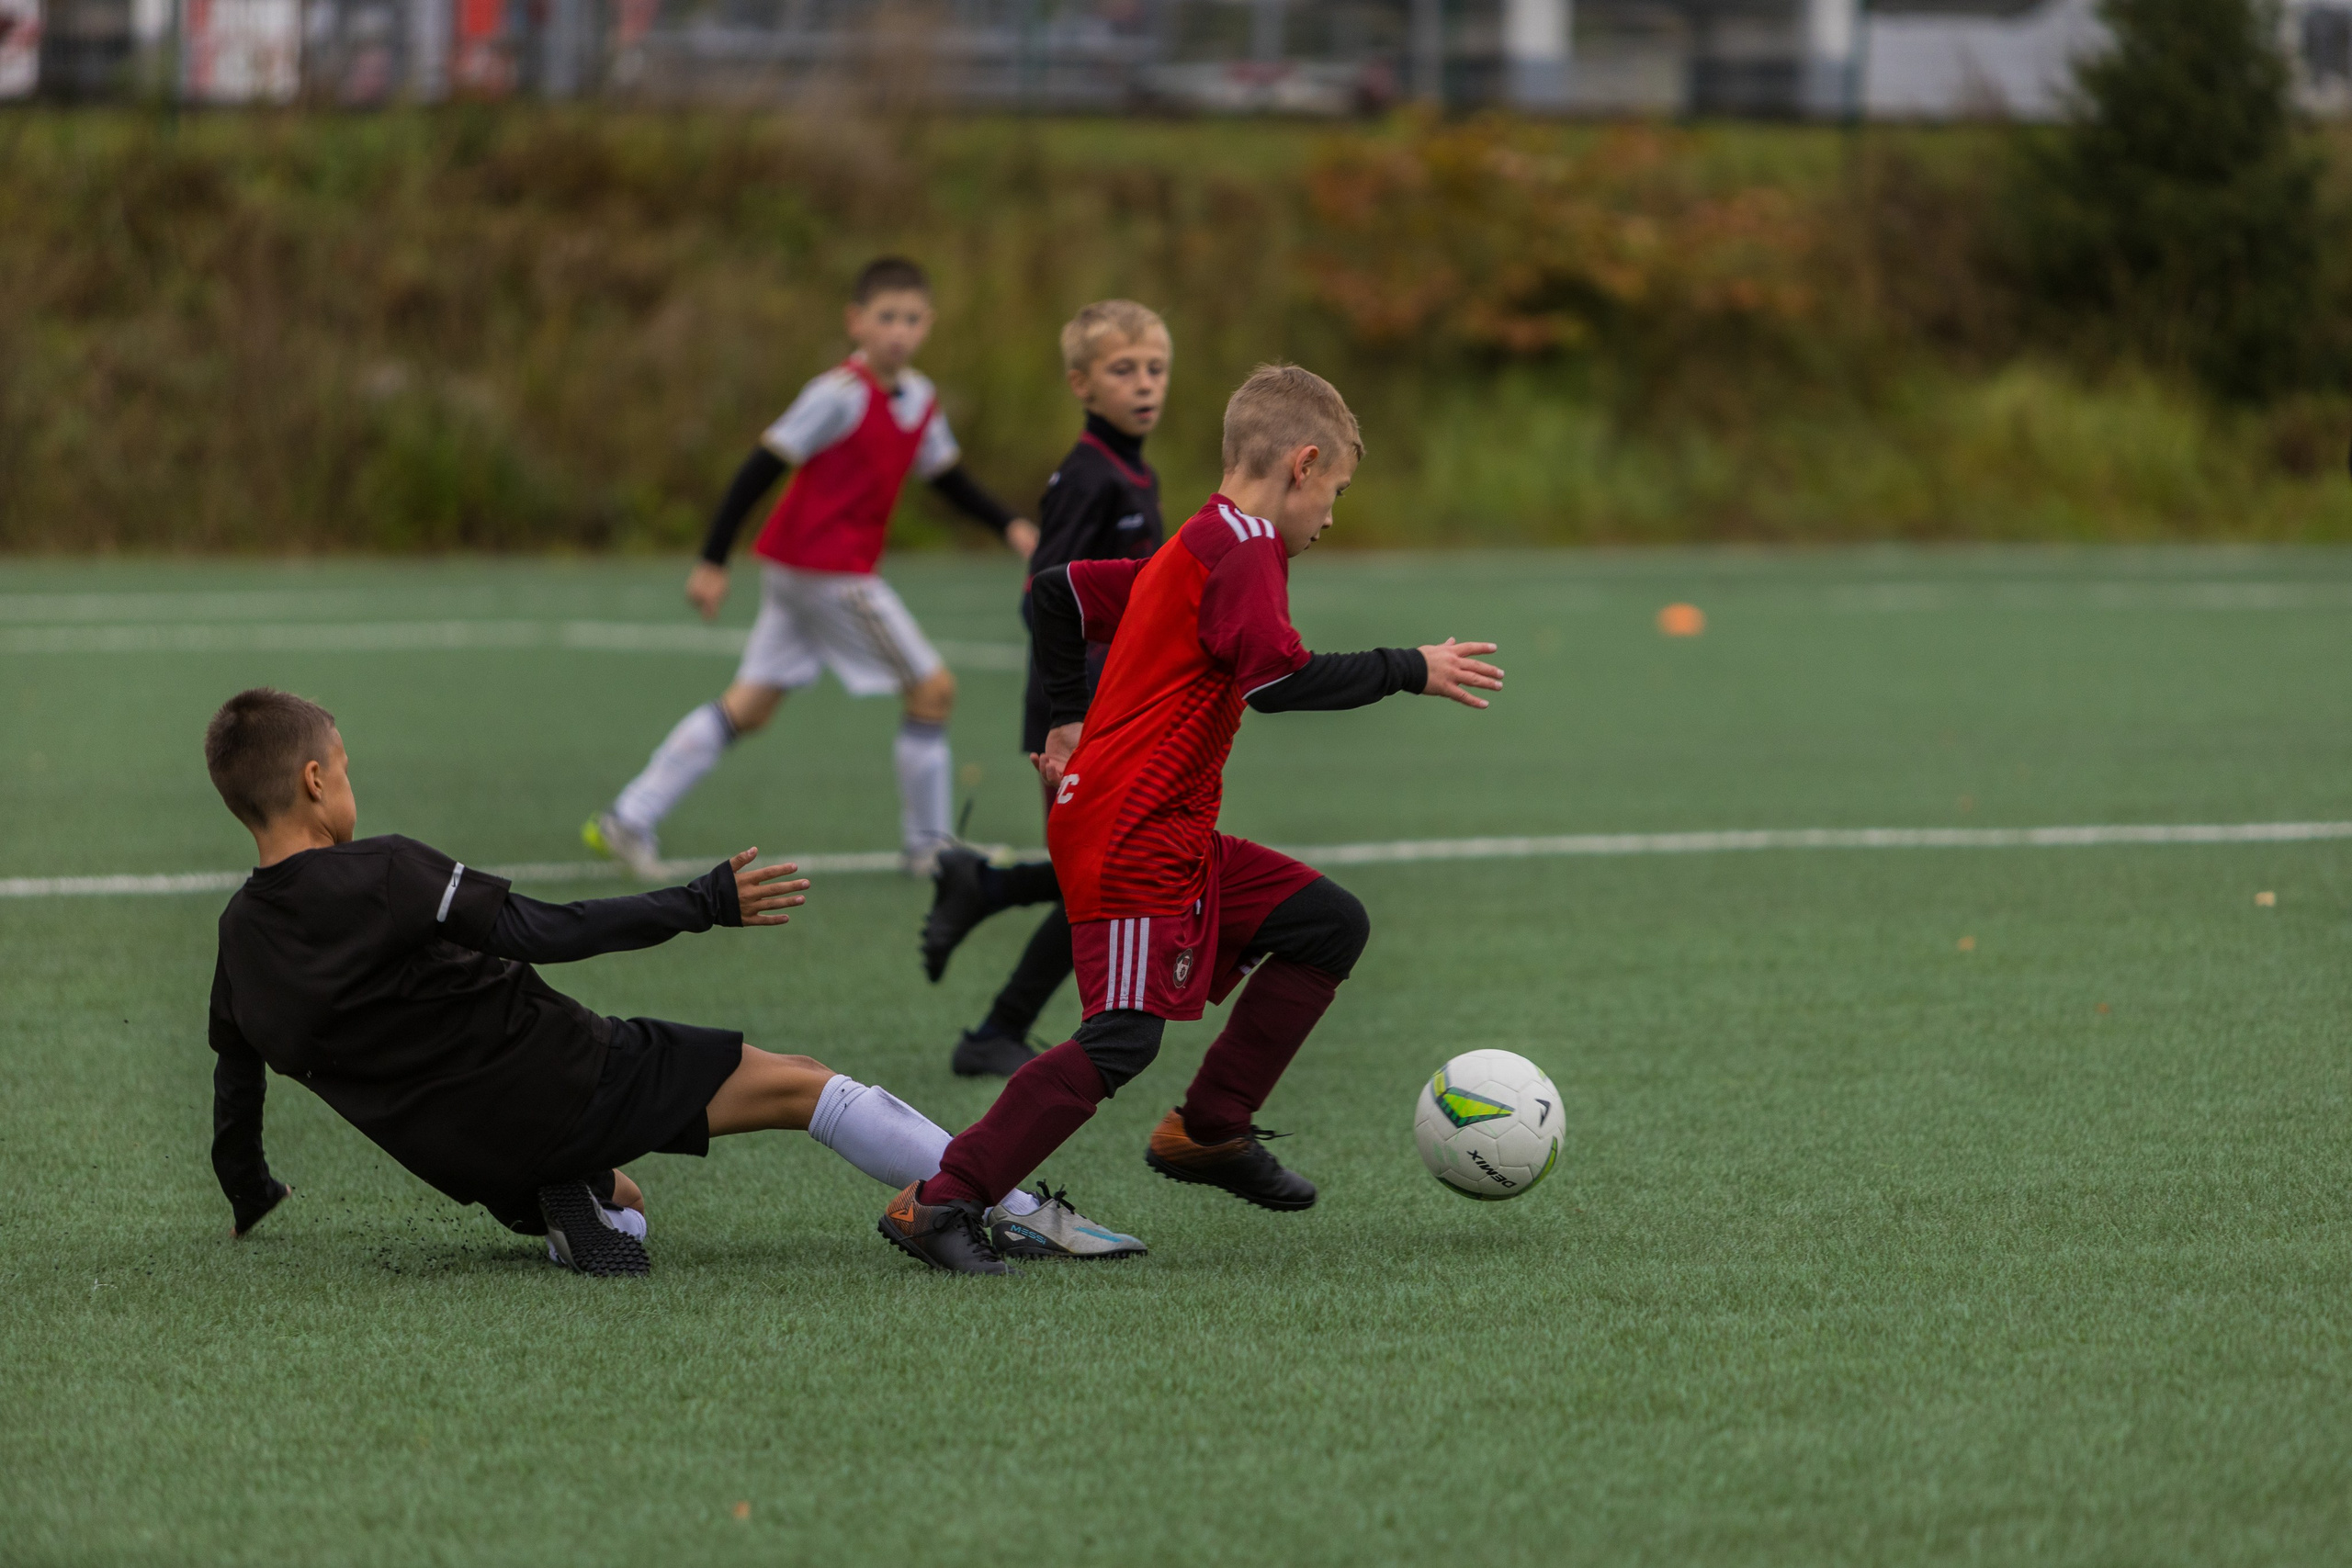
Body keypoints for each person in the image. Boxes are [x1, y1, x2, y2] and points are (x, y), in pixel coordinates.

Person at [876, 366, 1505, 1273]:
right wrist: (1410, 667)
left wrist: (1066, 718)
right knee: (1121, 1037)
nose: (1332, 516)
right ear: (1302, 464)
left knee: (1328, 924)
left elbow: (1056, 593)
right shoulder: (1243, 547)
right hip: (1132, 832)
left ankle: (1209, 1129)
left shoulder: (1198, 543)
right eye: (1335, 492)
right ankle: (945, 1198)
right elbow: (1279, 681)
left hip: (1168, 828)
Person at [204, 687, 1141, 1275]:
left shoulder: (238, 944)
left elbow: (235, 1083)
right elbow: (545, 931)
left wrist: (249, 1188)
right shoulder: (383, 869)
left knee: (628, 1205)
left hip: (468, 1161)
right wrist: (701, 902)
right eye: (347, 770)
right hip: (563, 1072)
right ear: (316, 779)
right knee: (804, 1084)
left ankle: (570, 1199)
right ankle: (1007, 1205)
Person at [584, 255, 1038, 882]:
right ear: (856, 321)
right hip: (830, 573)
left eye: (911, 319)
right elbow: (762, 466)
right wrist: (713, 559)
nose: (899, 332)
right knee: (933, 690)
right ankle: (930, 849)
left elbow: (947, 476)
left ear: (929, 324)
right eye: (886, 317)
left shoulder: (919, 398)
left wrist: (1011, 525)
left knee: (751, 705)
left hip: (801, 573)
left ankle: (629, 817)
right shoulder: (837, 395)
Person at [921, 299, 1172, 1078]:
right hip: (1079, 713)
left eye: (1156, 368)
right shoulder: (1088, 476)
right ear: (1081, 383)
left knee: (1099, 874)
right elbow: (1044, 597)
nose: (1144, 383)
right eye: (1123, 370)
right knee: (1101, 879)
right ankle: (997, 1024)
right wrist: (1076, 710)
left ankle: (985, 890)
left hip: (1117, 707)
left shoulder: (1135, 471)